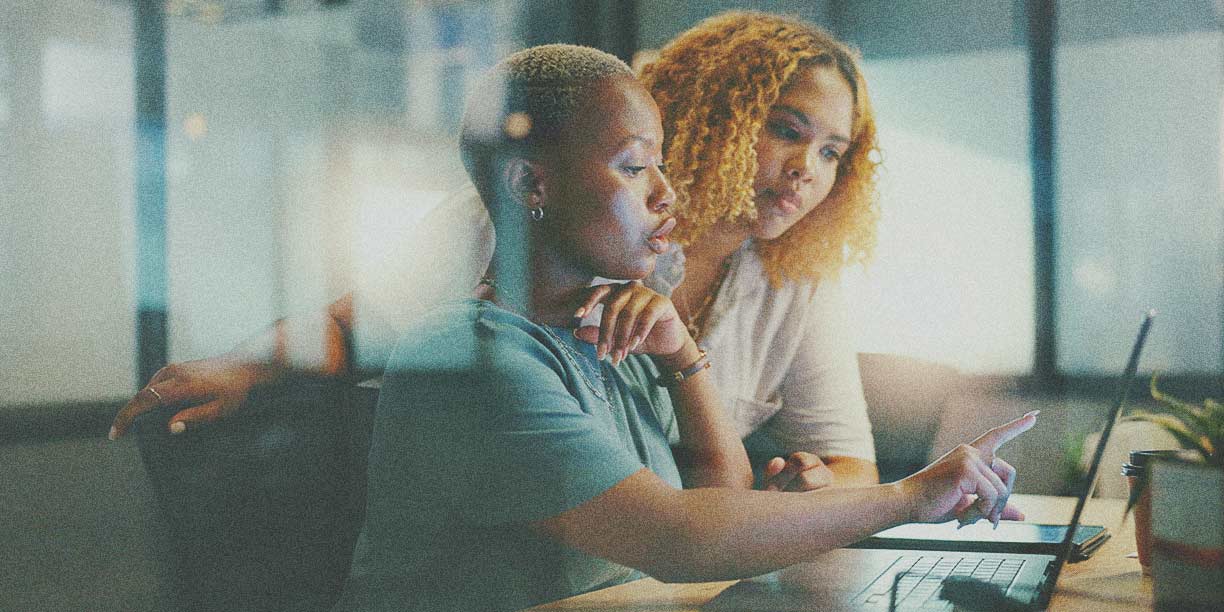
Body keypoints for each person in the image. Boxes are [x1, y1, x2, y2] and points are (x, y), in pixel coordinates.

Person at [331, 43, 1034, 612]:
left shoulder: (612, 332)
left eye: (659, 164)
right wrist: (908, 499)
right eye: (635, 166)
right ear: (529, 187)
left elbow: (717, 501)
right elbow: (676, 537)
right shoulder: (469, 356)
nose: (666, 193)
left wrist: (681, 353)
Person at [109, 12, 884, 492]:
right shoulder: (521, 226)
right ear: (715, 111)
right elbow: (356, 324)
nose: (806, 171)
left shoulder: (794, 280)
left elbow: (847, 465)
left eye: (831, 153)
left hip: (666, 555)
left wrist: (816, 487)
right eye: (787, 130)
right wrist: (249, 365)